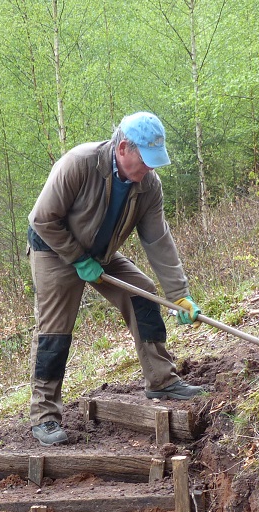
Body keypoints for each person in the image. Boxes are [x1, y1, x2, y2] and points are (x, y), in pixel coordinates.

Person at [26, 110, 206, 446]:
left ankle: (161, 381)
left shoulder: (148, 186)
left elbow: (157, 240)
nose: (150, 169)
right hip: (54, 247)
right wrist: (77, 258)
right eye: (145, 160)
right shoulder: (79, 163)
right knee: (55, 329)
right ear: (123, 148)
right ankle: (45, 416)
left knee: (143, 293)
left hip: (99, 251)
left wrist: (179, 294)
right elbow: (42, 219)